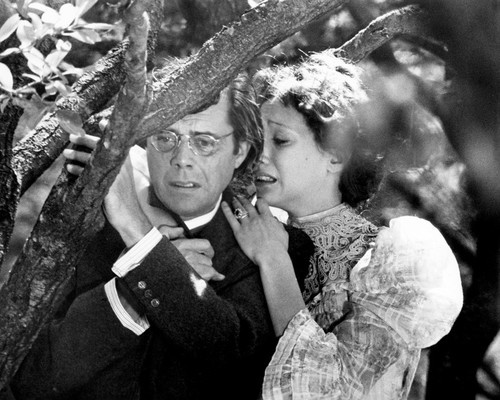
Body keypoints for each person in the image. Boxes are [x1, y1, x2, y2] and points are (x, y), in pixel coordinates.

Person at [10, 74, 313, 400]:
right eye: (165, 137)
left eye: (204, 142)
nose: (182, 159)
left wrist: (140, 239)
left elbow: (233, 361)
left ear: (240, 151)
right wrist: (129, 292)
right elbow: (32, 381)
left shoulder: (274, 245)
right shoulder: (86, 224)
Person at [221, 51, 464, 399]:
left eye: (280, 140)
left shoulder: (389, 265)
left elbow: (338, 392)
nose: (259, 155)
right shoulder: (254, 231)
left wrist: (275, 262)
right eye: (258, 140)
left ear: (336, 154)